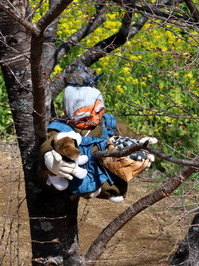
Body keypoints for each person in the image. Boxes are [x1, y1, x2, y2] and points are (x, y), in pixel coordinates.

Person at [40, 70, 155, 202]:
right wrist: (50, 158)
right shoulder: (65, 128)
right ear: (67, 113)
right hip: (79, 170)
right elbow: (50, 142)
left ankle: (112, 191)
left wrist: (140, 142)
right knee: (76, 180)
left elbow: (125, 131)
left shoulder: (107, 122)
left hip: (105, 167)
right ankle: (88, 190)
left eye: (99, 112)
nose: (95, 119)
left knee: (115, 180)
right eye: (85, 118)